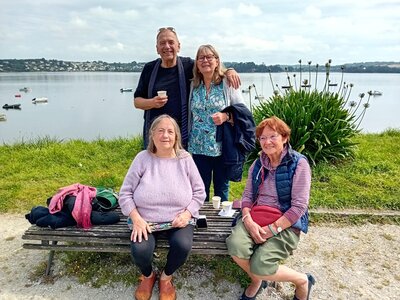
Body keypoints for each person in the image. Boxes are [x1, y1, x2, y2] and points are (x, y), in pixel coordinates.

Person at [226, 116, 316, 300]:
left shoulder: (299, 164)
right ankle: (257, 280)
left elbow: (299, 206)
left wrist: (272, 230)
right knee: (235, 246)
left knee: (261, 264)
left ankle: (302, 280)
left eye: (272, 136)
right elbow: (247, 197)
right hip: (256, 217)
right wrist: (248, 221)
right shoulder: (258, 163)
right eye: (262, 138)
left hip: (285, 223)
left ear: (284, 138)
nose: (267, 142)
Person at [118, 114, 206, 300]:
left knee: (182, 245)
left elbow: (200, 192)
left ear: (176, 136)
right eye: (160, 131)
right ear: (152, 135)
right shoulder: (142, 158)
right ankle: (148, 276)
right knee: (140, 250)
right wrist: (136, 219)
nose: (165, 135)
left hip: (178, 218)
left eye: (170, 131)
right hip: (145, 220)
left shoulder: (185, 159)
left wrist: (187, 213)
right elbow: (125, 193)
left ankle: (166, 278)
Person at [133, 27, 241, 149]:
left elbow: (208, 65)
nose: (167, 46)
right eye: (162, 43)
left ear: (178, 46)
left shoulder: (188, 65)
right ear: (157, 48)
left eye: (171, 42)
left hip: (181, 133)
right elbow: (137, 102)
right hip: (154, 132)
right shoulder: (149, 69)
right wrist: (152, 102)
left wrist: (229, 71)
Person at [188, 44, 247, 202]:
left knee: (221, 188)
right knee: (200, 188)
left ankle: (221, 222)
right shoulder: (193, 85)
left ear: (217, 61)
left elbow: (244, 112)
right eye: (201, 57)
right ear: (197, 63)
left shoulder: (227, 83)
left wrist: (226, 116)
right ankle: (202, 221)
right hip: (198, 146)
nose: (205, 60)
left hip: (221, 146)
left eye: (209, 57)